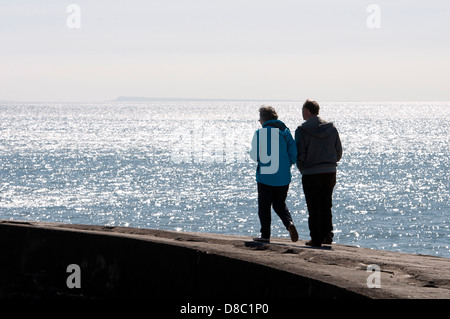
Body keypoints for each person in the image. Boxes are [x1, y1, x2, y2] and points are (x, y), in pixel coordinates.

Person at [295, 99, 342, 247]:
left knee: (313, 207)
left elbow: (300, 153)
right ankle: (327, 235)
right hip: (329, 171)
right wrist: (331, 162)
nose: (302, 113)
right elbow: (338, 151)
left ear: (307, 111)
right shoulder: (331, 128)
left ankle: (316, 238)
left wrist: (303, 168)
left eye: (303, 110)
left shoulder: (301, 130)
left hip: (311, 172)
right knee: (326, 205)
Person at [250, 105, 298, 243]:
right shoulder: (285, 132)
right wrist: (286, 164)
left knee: (264, 206)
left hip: (265, 175)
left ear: (263, 120)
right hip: (283, 176)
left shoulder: (260, 133)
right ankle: (289, 223)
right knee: (279, 204)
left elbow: (254, 156)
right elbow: (293, 154)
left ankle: (265, 236)